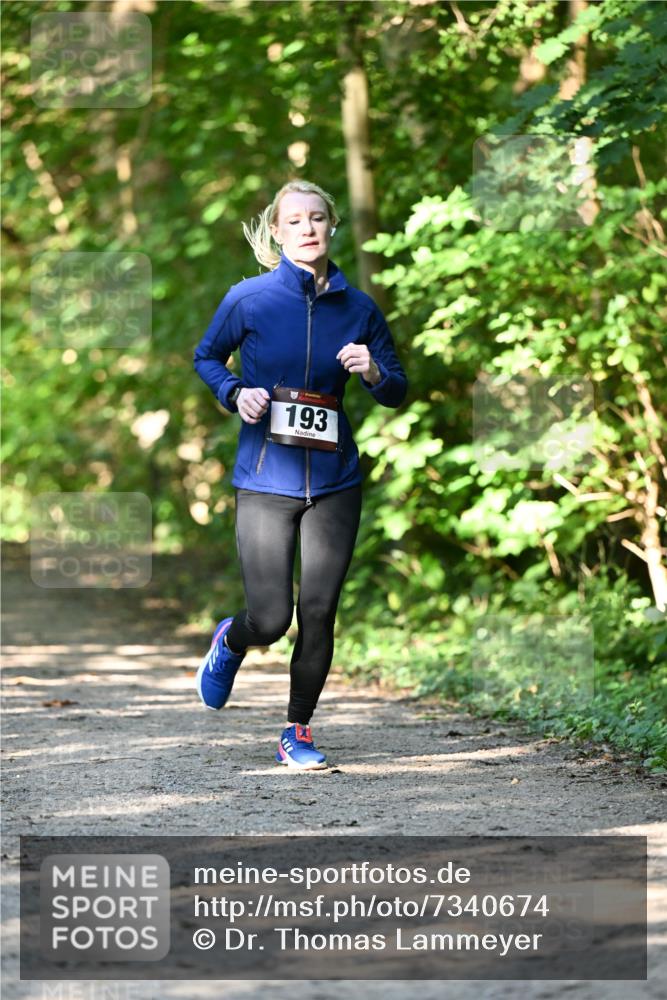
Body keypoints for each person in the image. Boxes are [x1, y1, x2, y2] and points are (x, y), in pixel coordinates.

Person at [193, 179, 407, 770]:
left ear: (331, 227)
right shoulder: (250, 299)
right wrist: (235, 394)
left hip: (335, 482)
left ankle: (298, 730)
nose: (307, 228)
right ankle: (231, 641)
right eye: (294, 220)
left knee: (318, 609)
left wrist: (371, 372)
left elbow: (397, 388)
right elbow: (206, 357)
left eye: (317, 218)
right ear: (277, 231)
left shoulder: (359, 309)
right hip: (266, 478)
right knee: (271, 618)